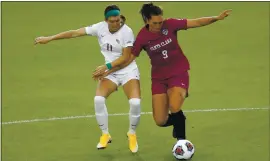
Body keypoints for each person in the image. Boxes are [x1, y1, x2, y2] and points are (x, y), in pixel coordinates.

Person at [93, 3, 232, 141]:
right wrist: (109, 70)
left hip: (178, 71)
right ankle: (179, 120)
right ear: (147, 20)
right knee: (160, 120)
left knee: (175, 104)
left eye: (160, 22)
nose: (159, 25)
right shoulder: (142, 37)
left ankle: (181, 142)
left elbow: (196, 22)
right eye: (155, 23)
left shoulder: (170, 24)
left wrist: (216, 18)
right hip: (159, 77)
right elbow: (128, 59)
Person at [34, 4, 141, 153]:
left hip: (127, 70)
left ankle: (132, 133)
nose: (116, 23)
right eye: (112, 21)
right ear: (106, 20)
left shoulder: (127, 32)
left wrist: (106, 66)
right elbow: (74, 33)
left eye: (118, 20)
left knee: (135, 103)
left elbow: (125, 58)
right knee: (98, 100)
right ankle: (105, 134)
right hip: (109, 72)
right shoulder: (100, 28)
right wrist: (50, 38)